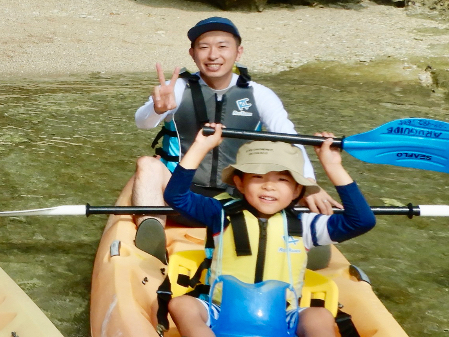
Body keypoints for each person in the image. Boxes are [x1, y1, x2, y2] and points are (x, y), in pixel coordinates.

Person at [164, 125, 393, 337]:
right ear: (239, 182)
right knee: (182, 304)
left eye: (282, 180)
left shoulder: (306, 225)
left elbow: (362, 221)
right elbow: (175, 196)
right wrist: (200, 147)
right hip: (219, 312)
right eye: (257, 177)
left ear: (298, 189)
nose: (269, 186)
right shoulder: (218, 213)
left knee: (319, 316)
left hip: (283, 321)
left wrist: (332, 166)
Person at [130, 16, 338, 260]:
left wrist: (309, 185)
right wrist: (158, 109)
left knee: (290, 182)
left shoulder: (259, 94)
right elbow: (142, 123)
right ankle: (152, 238)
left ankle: (304, 242)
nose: (213, 55)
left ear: (238, 52)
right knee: (147, 164)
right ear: (193, 53)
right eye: (204, 47)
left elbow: (289, 137)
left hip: (240, 196)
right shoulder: (177, 88)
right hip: (178, 192)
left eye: (222, 46)